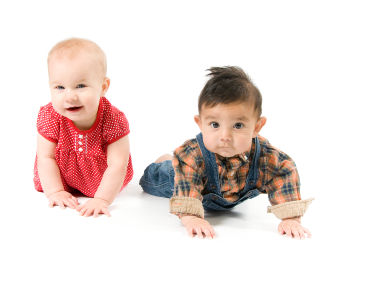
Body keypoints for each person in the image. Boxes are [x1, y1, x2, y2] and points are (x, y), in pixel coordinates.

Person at [140, 66, 314, 239]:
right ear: (200, 124)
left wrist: (291, 219)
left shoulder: (267, 158)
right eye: (215, 125)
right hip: (182, 180)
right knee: (154, 178)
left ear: (256, 127)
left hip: (227, 194)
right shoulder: (191, 157)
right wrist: (191, 218)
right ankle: (165, 162)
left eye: (238, 125)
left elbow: (284, 172)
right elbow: (186, 194)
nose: (225, 136)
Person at [34, 38, 133, 217]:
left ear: (103, 87)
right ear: (50, 86)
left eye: (80, 86)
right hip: (60, 175)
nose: (70, 96)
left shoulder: (113, 119)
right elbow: (45, 157)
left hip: (104, 179)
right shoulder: (51, 116)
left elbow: (118, 164)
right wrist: (55, 191)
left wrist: (102, 199)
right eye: (60, 87)